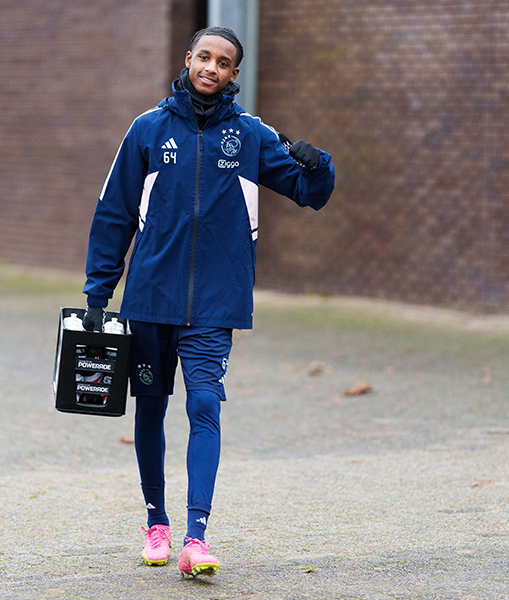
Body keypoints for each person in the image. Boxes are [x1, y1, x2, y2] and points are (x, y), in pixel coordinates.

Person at [81, 26, 335, 577]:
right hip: (150, 300)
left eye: (223, 62)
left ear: (234, 74)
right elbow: (113, 213)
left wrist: (318, 165)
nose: (211, 68)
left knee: (204, 406)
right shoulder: (148, 129)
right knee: (151, 407)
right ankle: (157, 523)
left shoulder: (251, 135)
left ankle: (196, 538)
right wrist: (98, 292)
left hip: (217, 304)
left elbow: (308, 194)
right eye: (204, 57)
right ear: (188, 59)